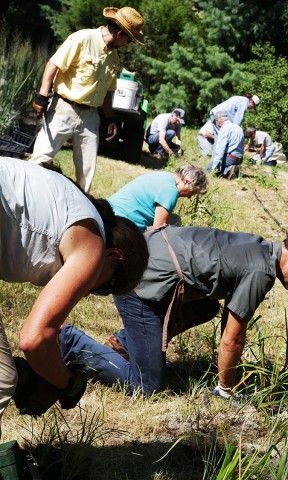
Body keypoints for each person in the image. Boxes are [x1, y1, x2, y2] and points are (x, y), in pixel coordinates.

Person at [59, 226, 288, 397]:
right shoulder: (261, 271)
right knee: (147, 387)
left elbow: (228, 319)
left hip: (146, 259)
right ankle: (72, 342)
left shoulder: (261, 248)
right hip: (140, 283)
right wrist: (226, 389)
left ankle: (127, 342)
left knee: (206, 307)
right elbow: (232, 338)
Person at [0, 157, 148, 422]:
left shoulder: (71, 202)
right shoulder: (93, 243)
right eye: (103, 288)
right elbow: (34, 339)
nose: (89, 291)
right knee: (2, 379)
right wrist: (68, 382)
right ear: (114, 255)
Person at [29, 6, 145, 192]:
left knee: (86, 173)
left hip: (90, 117)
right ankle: (24, 198)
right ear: (118, 31)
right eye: (129, 38)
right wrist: (42, 96)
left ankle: (79, 212)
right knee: (40, 159)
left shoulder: (114, 58)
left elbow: (108, 91)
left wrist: (111, 118)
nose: (128, 43)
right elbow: (53, 64)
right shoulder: (82, 38)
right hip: (63, 109)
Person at [108, 165, 208, 231]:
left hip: (110, 211)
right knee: (174, 223)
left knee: (174, 219)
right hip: (122, 224)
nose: (189, 197)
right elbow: (158, 229)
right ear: (186, 182)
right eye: (192, 192)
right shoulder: (170, 191)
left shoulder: (165, 176)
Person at [207, 111, 244, 179]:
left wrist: (213, 168)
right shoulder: (238, 127)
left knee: (209, 168)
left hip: (230, 158)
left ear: (220, 119)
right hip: (239, 159)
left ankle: (228, 170)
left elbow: (220, 150)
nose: (216, 123)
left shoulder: (224, 128)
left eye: (216, 120)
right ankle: (234, 168)